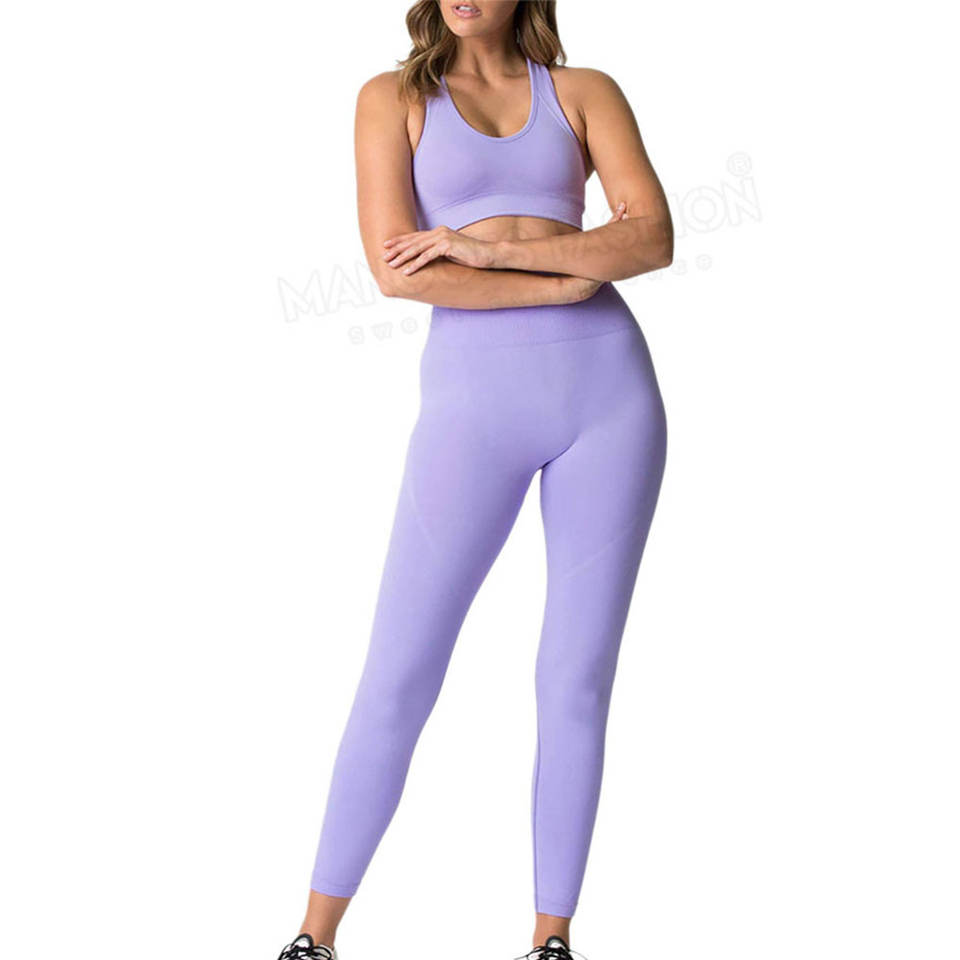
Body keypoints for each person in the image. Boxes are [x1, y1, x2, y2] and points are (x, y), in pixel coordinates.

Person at [275, 2, 672, 958]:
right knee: (399, 672)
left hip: (610, 398)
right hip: (472, 407)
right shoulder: (392, 100)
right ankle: (313, 938)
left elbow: (651, 238)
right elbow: (401, 273)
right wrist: (570, 271)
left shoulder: (584, 92)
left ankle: (550, 939)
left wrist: (493, 251)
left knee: (575, 676)